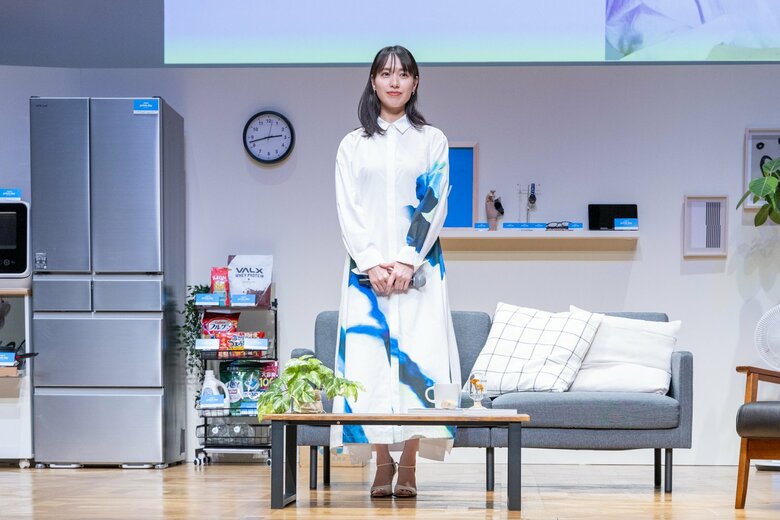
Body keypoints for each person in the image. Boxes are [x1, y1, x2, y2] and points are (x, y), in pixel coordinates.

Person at [331, 45, 460, 499]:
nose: (394, 81)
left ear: (415, 82)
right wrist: (370, 262)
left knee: (417, 363)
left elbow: (434, 202)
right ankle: (381, 462)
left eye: (403, 74)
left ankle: (409, 464)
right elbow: (348, 208)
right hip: (366, 276)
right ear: (373, 81)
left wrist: (407, 259)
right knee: (369, 366)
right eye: (385, 74)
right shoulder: (352, 145)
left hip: (419, 272)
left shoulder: (432, 140)